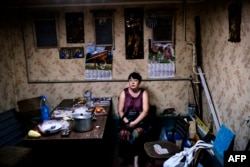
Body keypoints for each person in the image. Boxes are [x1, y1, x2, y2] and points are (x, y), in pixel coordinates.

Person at [117, 72, 151, 167]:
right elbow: (120, 111)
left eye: (135, 80)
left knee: (137, 133)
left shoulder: (144, 92)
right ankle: (124, 158)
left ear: (139, 82)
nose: (132, 82)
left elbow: (145, 111)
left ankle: (136, 161)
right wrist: (128, 122)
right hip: (126, 119)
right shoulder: (124, 92)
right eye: (130, 80)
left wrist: (135, 122)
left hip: (140, 120)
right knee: (124, 133)